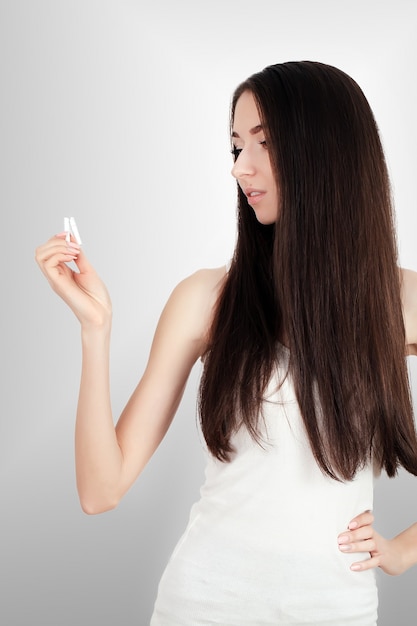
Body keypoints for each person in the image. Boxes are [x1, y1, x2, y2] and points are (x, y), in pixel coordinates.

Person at [35, 61, 417, 625]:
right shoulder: (206, 298)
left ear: (328, 152)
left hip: (336, 609)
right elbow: (101, 488)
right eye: (236, 147)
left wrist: (404, 551)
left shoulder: (400, 302)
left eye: (264, 143)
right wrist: (96, 329)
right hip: (203, 604)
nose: (242, 166)